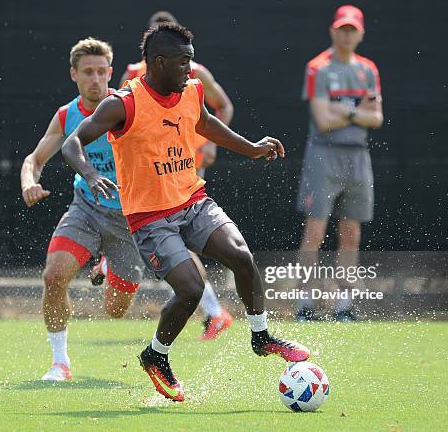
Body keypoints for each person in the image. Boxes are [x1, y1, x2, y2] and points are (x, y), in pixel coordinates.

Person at [62, 23, 310, 402]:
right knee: (191, 289)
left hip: (193, 202)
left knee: (241, 257)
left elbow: (207, 124)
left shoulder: (191, 91)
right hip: (150, 218)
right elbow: (72, 142)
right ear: (158, 63)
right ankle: (155, 356)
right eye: (184, 63)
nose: (190, 70)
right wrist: (91, 173)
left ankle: (261, 337)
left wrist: (253, 148)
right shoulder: (123, 103)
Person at [20, 38, 144, 381]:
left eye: (102, 71)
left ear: (111, 73)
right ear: (74, 74)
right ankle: (60, 362)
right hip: (86, 208)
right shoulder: (66, 115)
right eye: (88, 72)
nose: (96, 79)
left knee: (115, 310)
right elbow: (34, 159)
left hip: (129, 220)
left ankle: (105, 259)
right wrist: (29, 181)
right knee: (54, 275)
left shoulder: (127, 107)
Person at [117, 10, 235, 339]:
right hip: (149, 168)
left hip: (184, 165)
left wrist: (211, 143)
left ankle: (210, 310)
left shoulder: (195, 75)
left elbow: (223, 106)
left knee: (178, 241)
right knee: (176, 245)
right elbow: (123, 124)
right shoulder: (133, 77)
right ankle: (211, 310)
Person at [295, 5, 384, 321]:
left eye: (353, 29)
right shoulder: (318, 68)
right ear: (333, 31)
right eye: (342, 29)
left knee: (351, 233)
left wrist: (342, 111)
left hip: (357, 156)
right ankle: (306, 303)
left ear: (360, 34)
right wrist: (354, 111)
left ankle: (343, 306)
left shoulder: (368, 70)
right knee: (315, 230)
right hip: (323, 155)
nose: (347, 34)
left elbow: (376, 118)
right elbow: (321, 119)